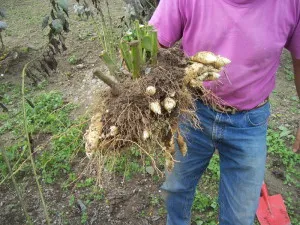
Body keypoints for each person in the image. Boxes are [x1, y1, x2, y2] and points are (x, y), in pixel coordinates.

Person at [149, 0, 300, 224]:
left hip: (249, 122)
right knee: (175, 188)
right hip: (193, 110)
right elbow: (152, 44)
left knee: (239, 217)